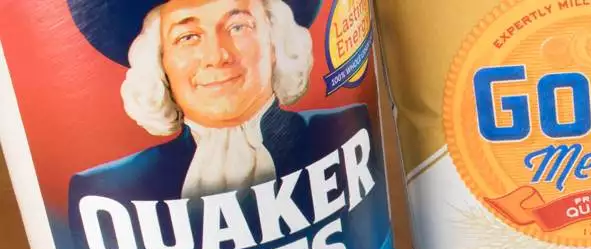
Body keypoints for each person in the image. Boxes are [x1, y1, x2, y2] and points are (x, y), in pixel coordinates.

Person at [66, 0, 370, 201]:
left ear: (275, 42)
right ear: (160, 63)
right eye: (188, 37)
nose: (217, 56)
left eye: (238, 27)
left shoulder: (345, 132)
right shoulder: (107, 189)